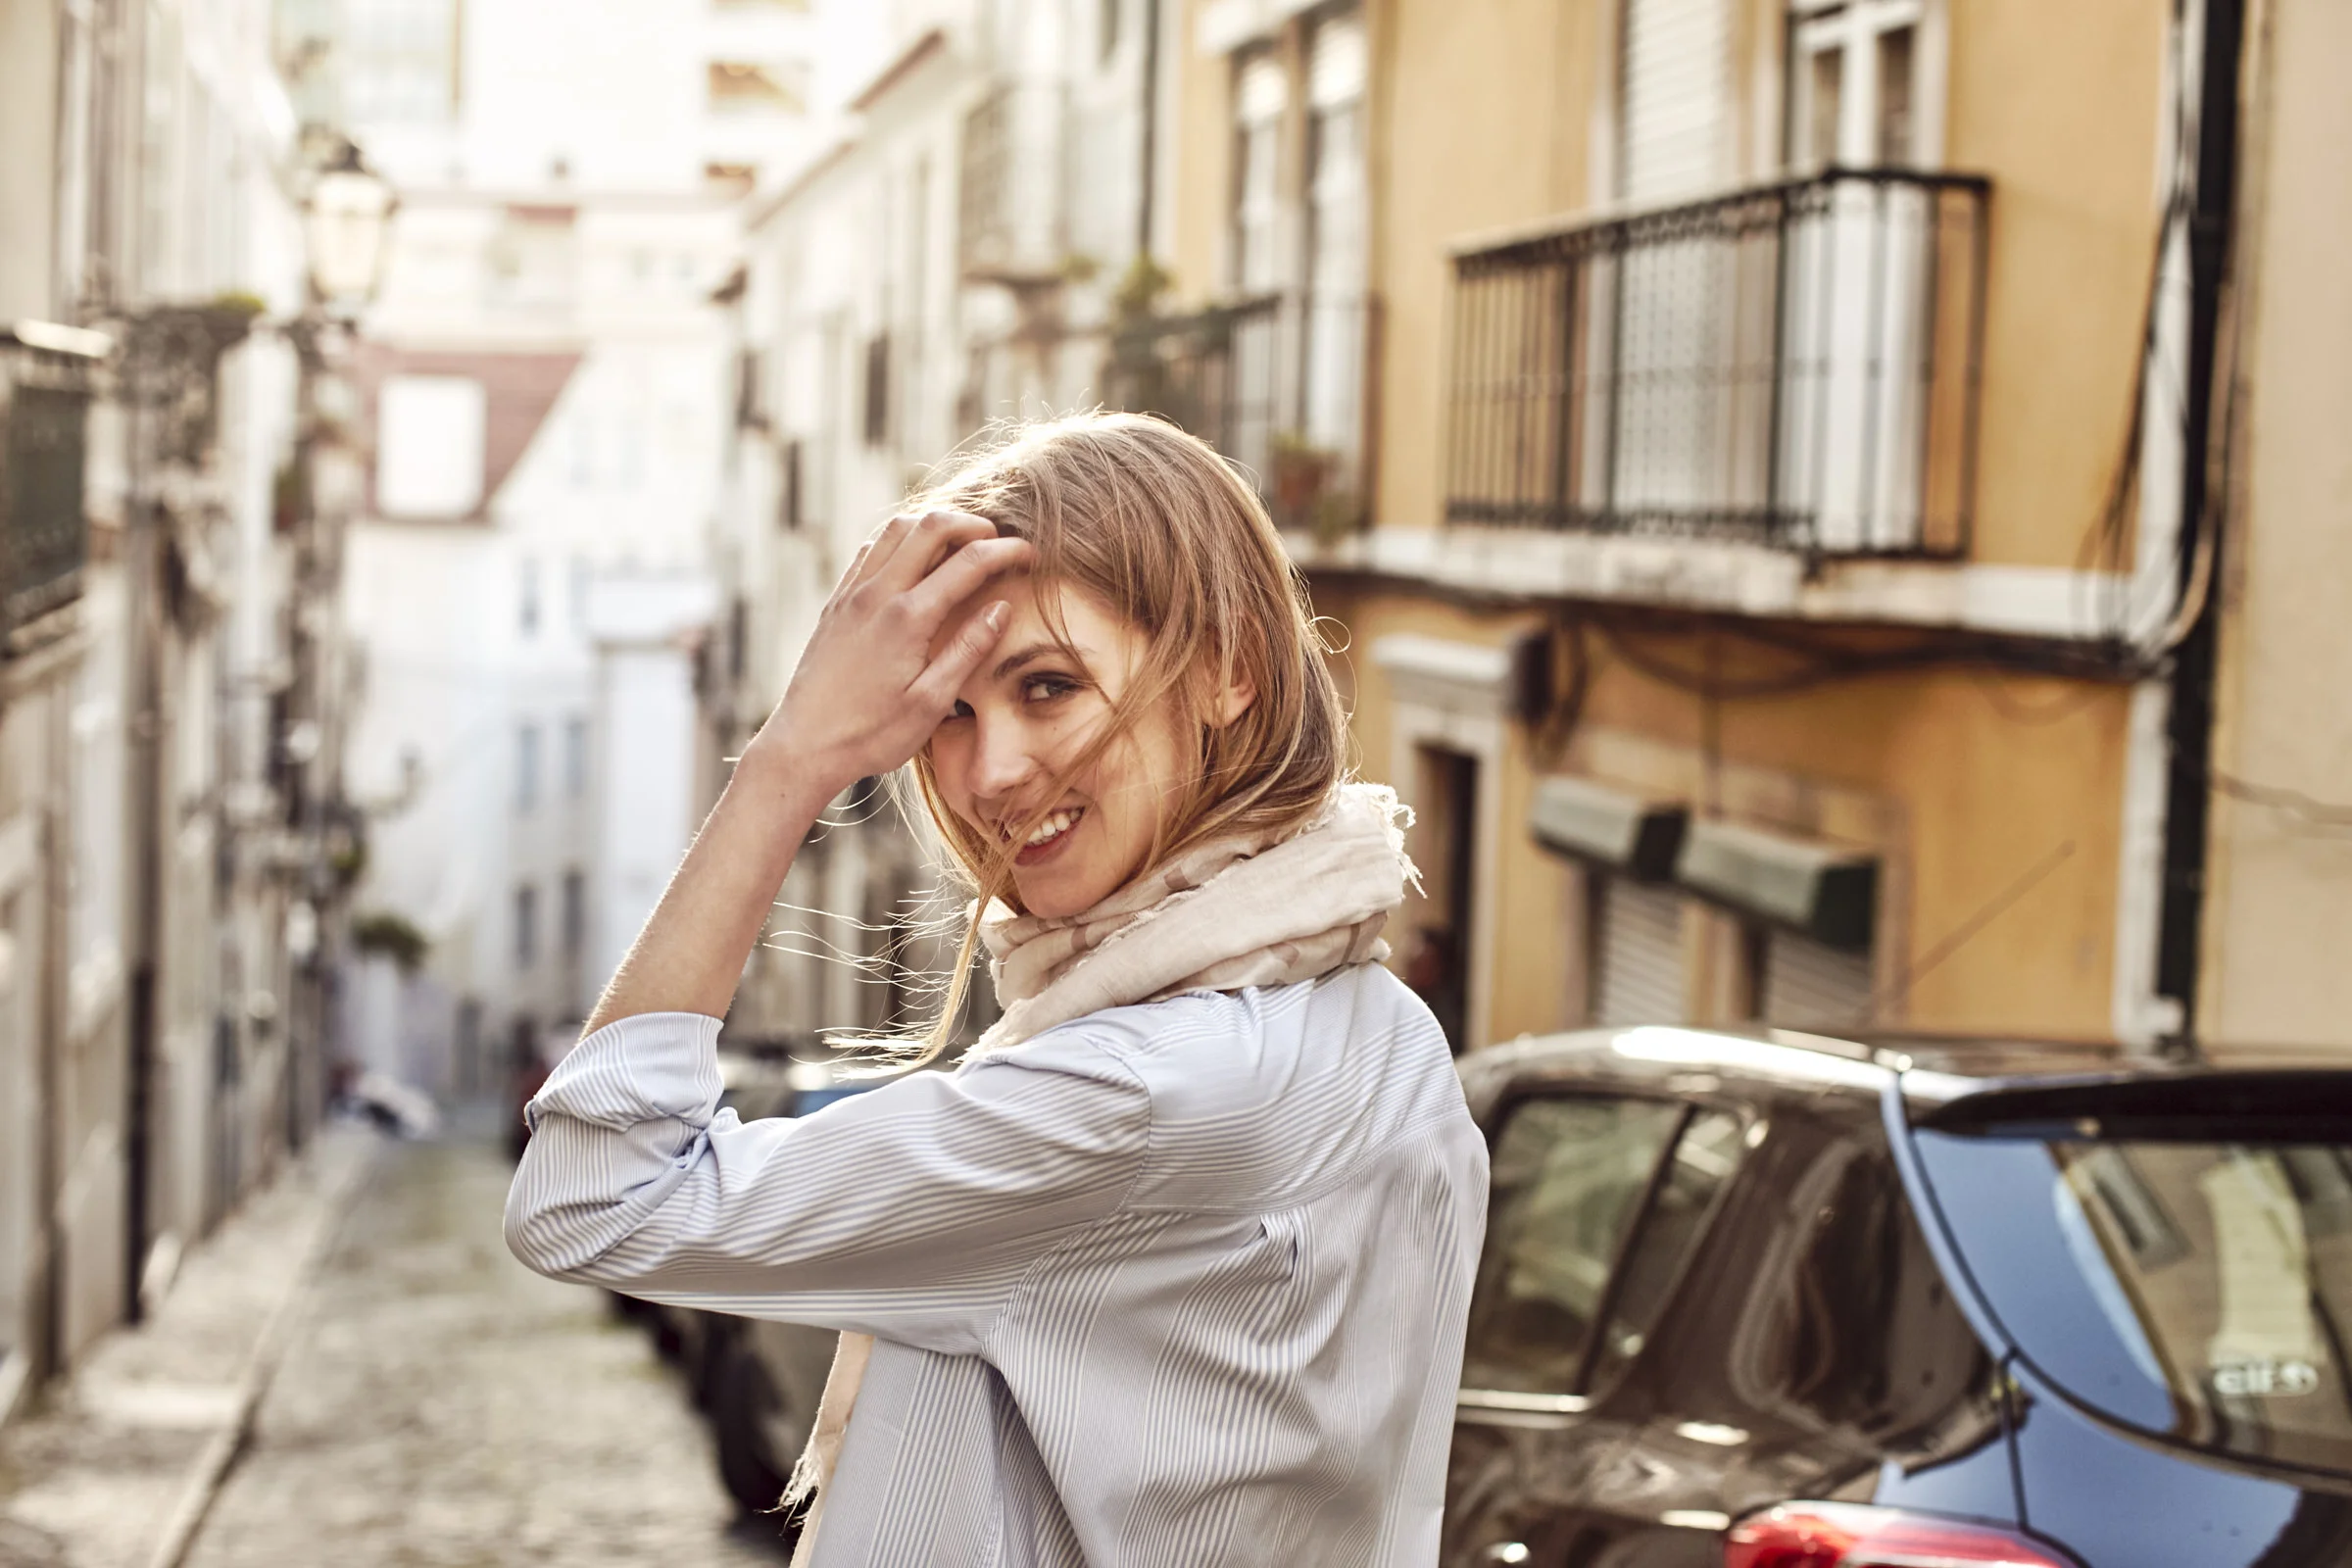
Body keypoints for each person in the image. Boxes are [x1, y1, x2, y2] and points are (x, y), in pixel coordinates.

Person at [504, 413, 1488, 1567]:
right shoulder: (1390, 1036)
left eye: (1051, 687)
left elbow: (592, 1190)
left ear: (1231, 673)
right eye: (951, 713)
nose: (990, 772)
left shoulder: (1137, 1094)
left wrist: (792, 761)